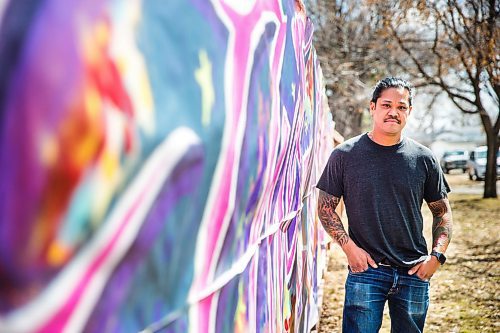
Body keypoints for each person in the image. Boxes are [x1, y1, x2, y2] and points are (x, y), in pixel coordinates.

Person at [317, 77, 453, 333]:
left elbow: (442, 212)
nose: (394, 112)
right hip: (366, 271)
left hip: (414, 271)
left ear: (409, 112)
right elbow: (324, 208)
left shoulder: (424, 158)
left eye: (401, 107)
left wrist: (436, 257)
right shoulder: (344, 155)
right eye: (386, 105)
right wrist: (349, 249)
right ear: (372, 108)